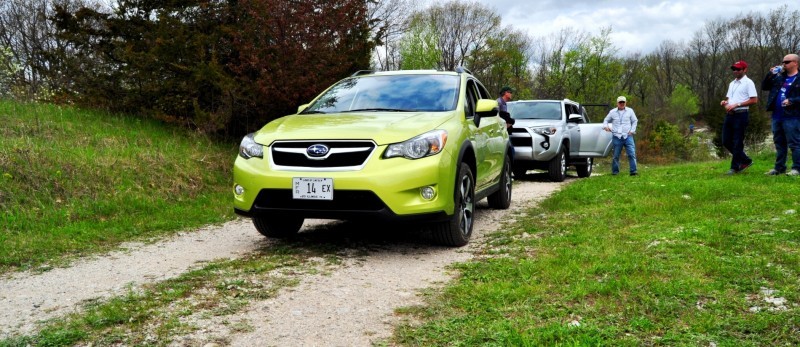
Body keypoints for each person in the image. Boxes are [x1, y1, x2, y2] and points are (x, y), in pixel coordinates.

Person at [762, 53, 800, 176]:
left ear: (795, 63)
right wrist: (770, 74)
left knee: (794, 143)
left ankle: (797, 169)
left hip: (792, 116)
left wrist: (792, 100)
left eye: (787, 62)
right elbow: (764, 86)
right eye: (783, 61)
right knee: (779, 143)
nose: (784, 64)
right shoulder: (780, 77)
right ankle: (779, 168)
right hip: (777, 115)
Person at [720, 60, 758, 175]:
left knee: (737, 142)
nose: (735, 71)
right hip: (730, 115)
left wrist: (738, 104)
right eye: (734, 69)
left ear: (745, 70)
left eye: (738, 69)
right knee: (726, 141)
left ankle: (735, 167)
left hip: (741, 114)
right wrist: (724, 102)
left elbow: (754, 100)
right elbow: (729, 99)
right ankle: (746, 160)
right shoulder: (732, 83)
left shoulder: (748, 83)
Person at [602, 96, 638, 176]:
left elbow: (635, 121)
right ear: (617, 103)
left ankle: (633, 171)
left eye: (623, 102)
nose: (622, 104)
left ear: (626, 103)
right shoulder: (612, 112)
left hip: (628, 136)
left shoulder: (630, 111)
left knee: (631, 154)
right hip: (617, 137)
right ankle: (615, 172)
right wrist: (605, 126)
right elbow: (606, 120)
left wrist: (632, 131)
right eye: (620, 102)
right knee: (616, 156)